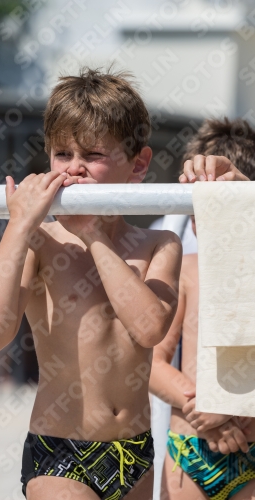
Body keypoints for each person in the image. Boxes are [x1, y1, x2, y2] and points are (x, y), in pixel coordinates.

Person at [0, 69, 235, 500]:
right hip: (60, 448)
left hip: (134, 449)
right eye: (61, 154)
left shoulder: (158, 243)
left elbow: (149, 328)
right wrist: (18, 226)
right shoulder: (39, 241)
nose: (74, 169)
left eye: (92, 154)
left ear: (139, 164)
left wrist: (94, 235)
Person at [149, 117, 255, 500]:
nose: (200, 219)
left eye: (216, 205)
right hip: (190, 448)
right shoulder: (186, 272)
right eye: (194, 207)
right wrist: (204, 409)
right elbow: (152, 361)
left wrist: (229, 405)